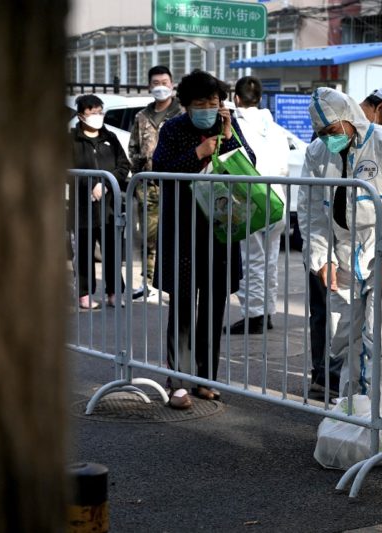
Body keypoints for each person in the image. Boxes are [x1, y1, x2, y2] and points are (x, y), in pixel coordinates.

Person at [298, 87, 382, 403]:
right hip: (342, 257)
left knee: (378, 338)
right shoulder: (317, 153)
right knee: (346, 341)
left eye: (333, 130)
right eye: (321, 132)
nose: (329, 138)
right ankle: (352, 413)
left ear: (350, 117)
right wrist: (319, 257)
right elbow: (312, 211)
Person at [152, 70, 253, 410]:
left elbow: (248, 165)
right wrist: (199, 152)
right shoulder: (173, 129)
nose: (208, 109)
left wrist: (227, 136)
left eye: (214, 103)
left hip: (219, 230)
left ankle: (205, 378)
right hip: (183, 230)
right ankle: (178, 382)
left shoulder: (227, 127)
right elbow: (160, 169)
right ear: (186, 105)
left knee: (213, 307)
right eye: (201, 104)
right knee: (182, 307)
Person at [225, 76, 290, 335]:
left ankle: (254, 315)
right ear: (260, 99)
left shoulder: (235, 125)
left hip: (248, 197)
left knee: (250, 259)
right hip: (277, 197)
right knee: (270, 259)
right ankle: (267, 312)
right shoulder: (274, 127)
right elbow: (284, 164)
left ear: (236, 98)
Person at [70, 94, 131, 310]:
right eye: (92, 112)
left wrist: (106, 183)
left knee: (112, 251)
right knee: (85, 252)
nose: (97, 116)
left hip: (110, 207)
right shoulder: (71, 140)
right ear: (81, 115)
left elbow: (124, 166)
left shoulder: (111, 138)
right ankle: (84, 294)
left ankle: (115, 293)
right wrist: (90, 184)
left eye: (100, 112)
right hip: (82, 207)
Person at [128, 65, 183, 302]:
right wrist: (141, 167)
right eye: (156, 83)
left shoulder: (181, 113)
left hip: (175, 184)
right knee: (150, 237)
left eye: (165, 82)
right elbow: (133, 148)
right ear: (150, 86)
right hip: (149, 186)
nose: (161, 86)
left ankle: (174, 284)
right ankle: (149, 284)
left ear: (172, 84)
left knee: (176, 235)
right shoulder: (142, 117)